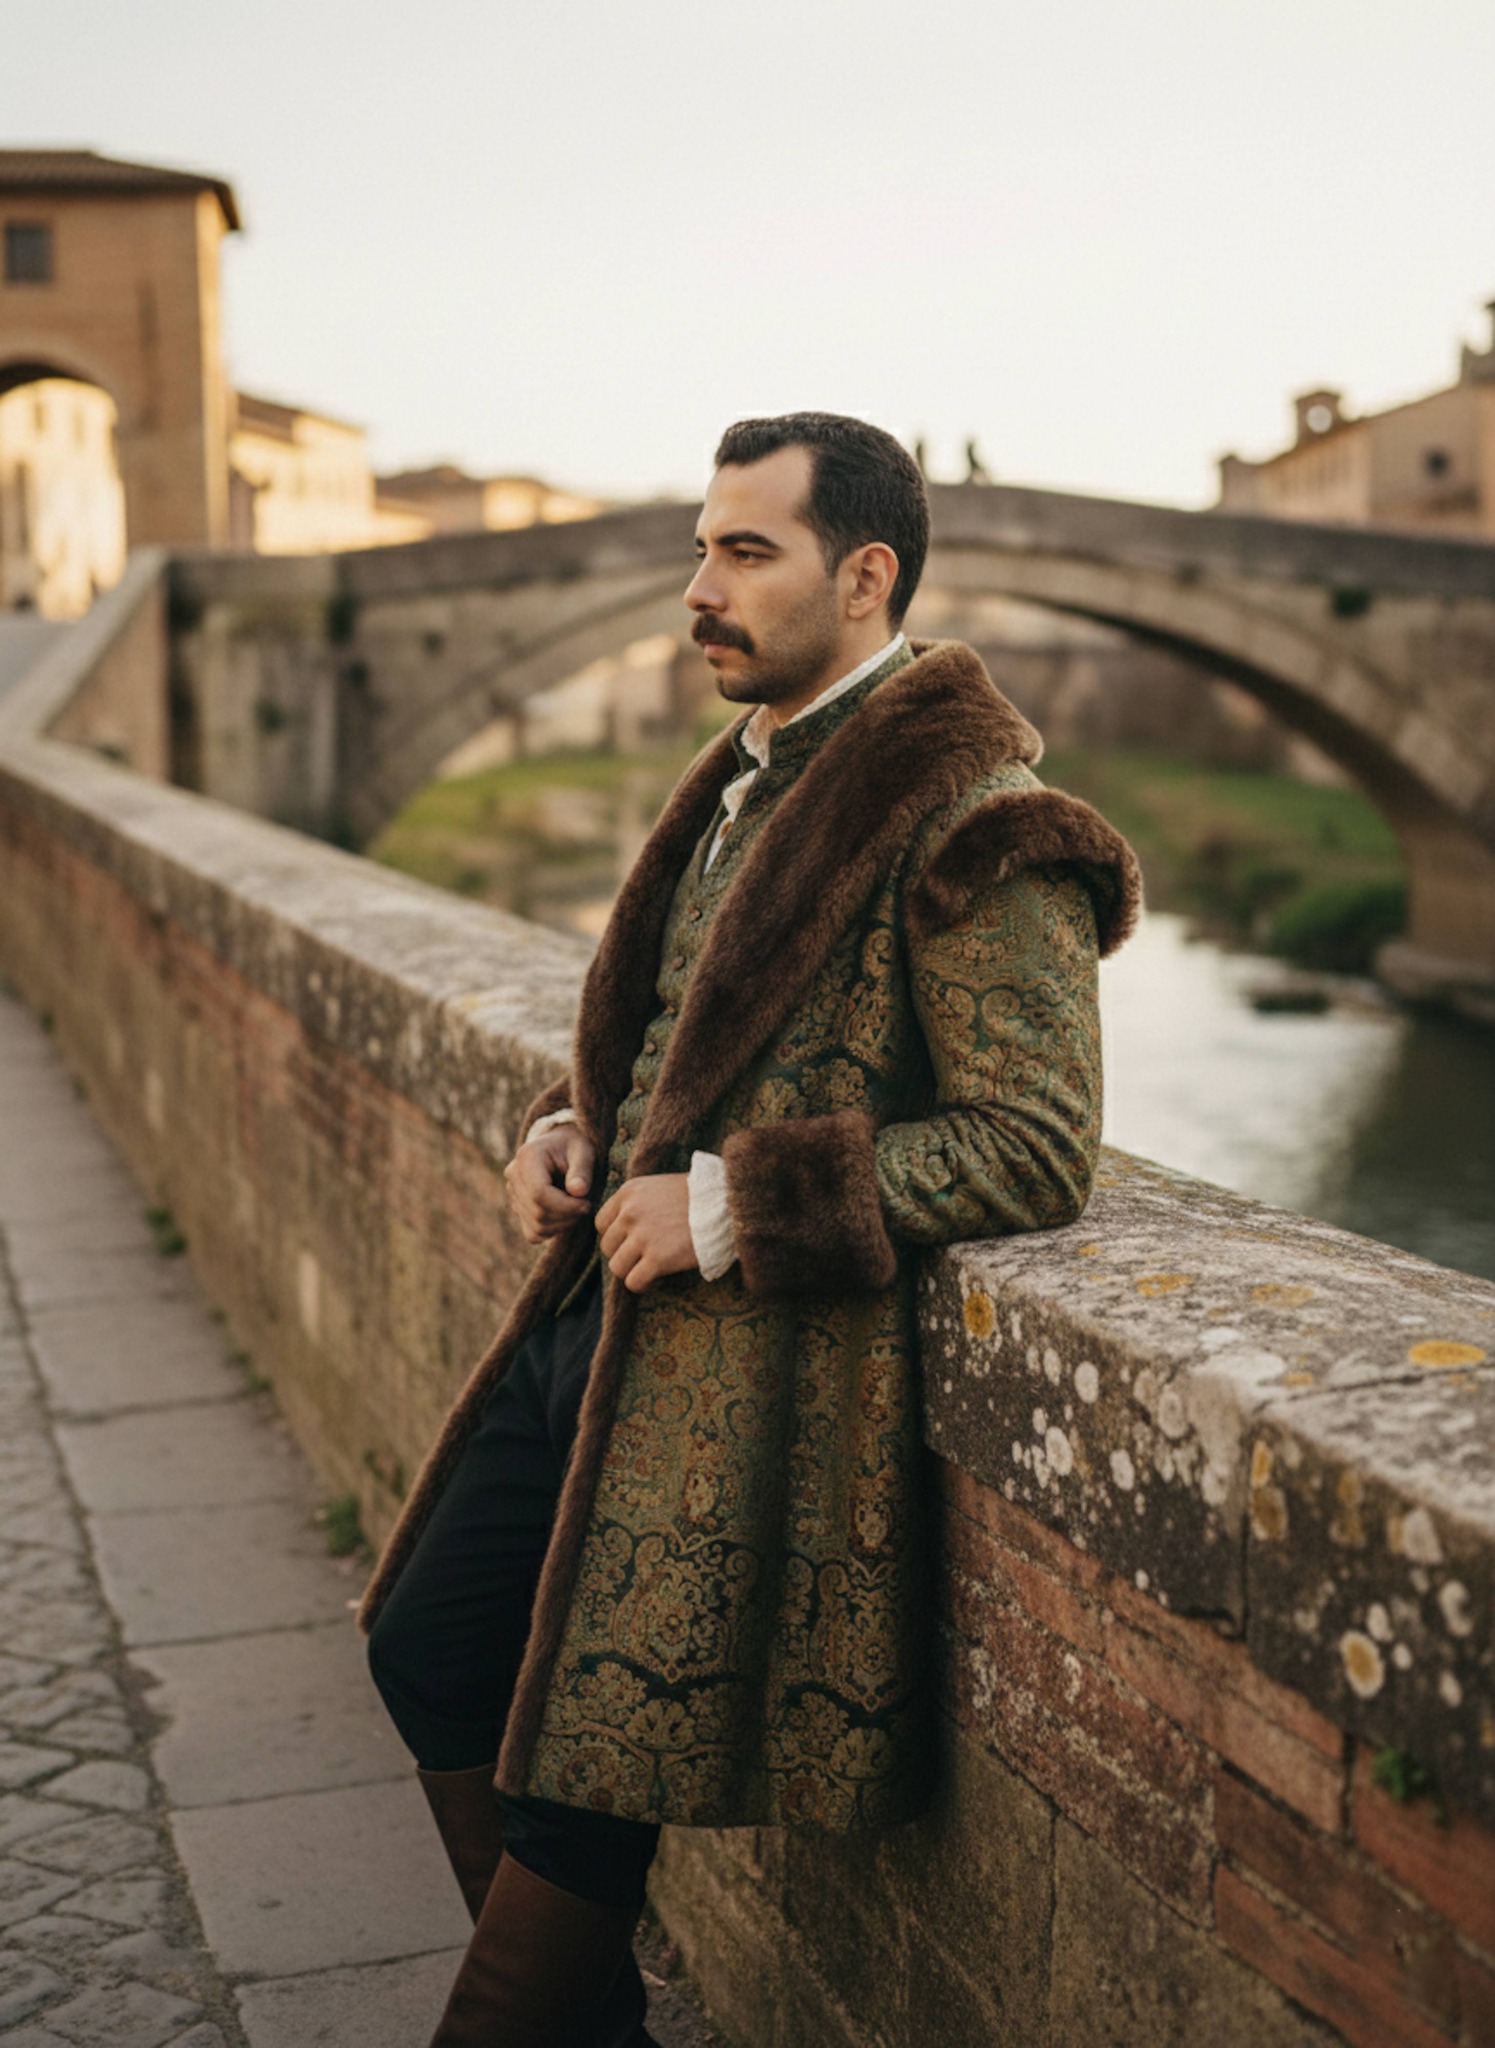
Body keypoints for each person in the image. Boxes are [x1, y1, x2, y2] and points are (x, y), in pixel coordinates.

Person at [360, 412, 1140, 2047]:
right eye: (701, 546)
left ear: (866, 578)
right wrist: (578, 1135)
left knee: (585, 1775)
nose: (696, 586)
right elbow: (689, 1042)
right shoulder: (746, 774)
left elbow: (1035, 1144)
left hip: (735, 1403)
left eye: (743, 552)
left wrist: (726, 1204)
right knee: (430, 1642)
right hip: (590, 1324)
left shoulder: (981, 820)